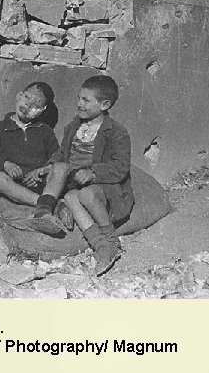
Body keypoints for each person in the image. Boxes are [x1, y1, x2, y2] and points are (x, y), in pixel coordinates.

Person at [31, 75, 134, 275]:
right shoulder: (74, 126)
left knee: (86, 195)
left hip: (104, 186)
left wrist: (93, 172)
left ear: (105, 105)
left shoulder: (116, 132)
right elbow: (63, 153)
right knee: (70, 197)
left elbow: (120, 167)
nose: (79, 104)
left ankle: (111, 241)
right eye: (79, 98)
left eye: (86, 100)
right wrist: (49, 166)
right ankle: (100, 245)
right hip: (75, 183)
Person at [0, 82, 67, 235]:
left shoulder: (45, 132)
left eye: (36, 105)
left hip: (40, 184)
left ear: (42, 111)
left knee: (62, 168)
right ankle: (46, 205)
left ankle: (44, 206)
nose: (28, 105)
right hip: (14, 186)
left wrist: (43, 170)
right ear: (18, 95)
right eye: (27, 97)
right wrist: (5, 165)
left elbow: (57, 158)